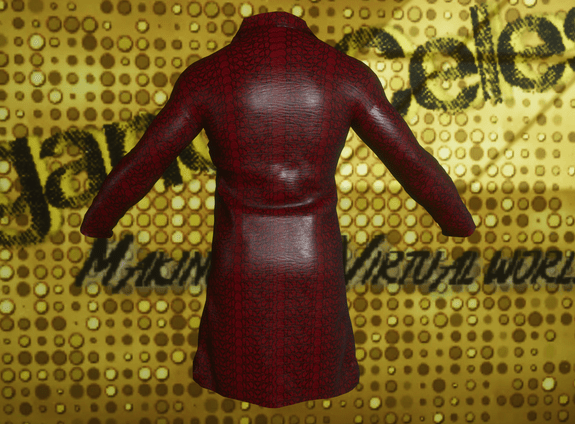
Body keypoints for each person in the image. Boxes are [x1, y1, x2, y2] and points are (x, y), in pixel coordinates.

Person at [81, 10, 475, 408]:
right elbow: (410, 160)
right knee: (320, 389)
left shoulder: (207, 75)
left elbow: (145, 161)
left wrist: (99, 220)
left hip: (240, 267)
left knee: (233, 388)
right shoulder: (347, 74)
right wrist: (457, 221)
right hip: (315, 265)